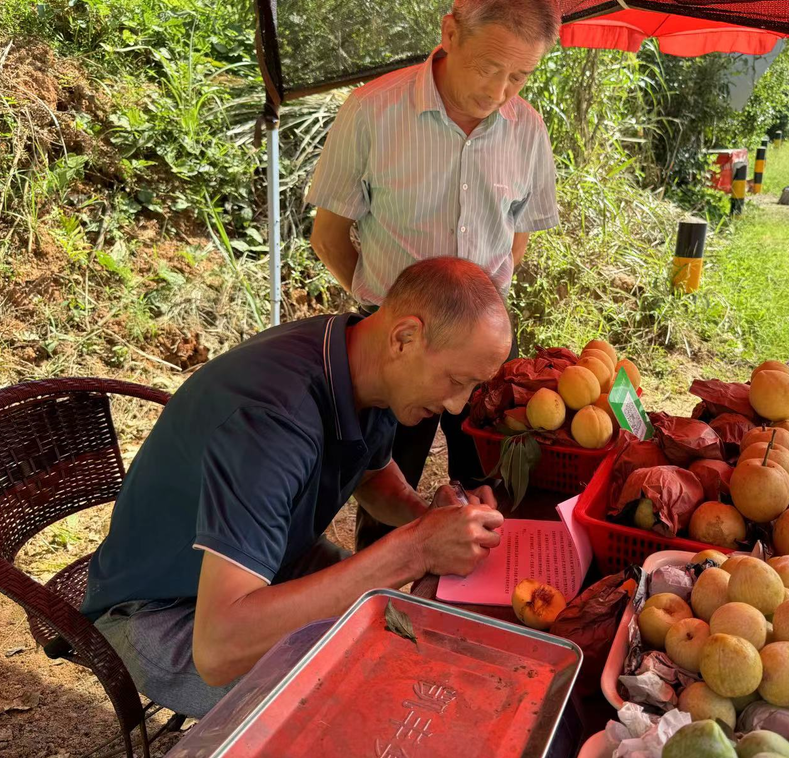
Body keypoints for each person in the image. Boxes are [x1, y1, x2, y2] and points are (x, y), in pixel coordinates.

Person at [80, 257, 512, 718]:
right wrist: (418, 548)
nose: (457, 404)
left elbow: (373, 478)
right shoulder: (275, 421)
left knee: (407, 643)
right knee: (361, 705)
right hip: (162, 609)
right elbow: (219, 648)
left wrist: (429, 517)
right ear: (405, 337)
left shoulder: (364, 360)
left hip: (273, 561)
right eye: (455, 381)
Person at [308, 0, 561, 549]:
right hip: (400, 344)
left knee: (492, 486)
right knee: (386, 492)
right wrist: (386, 310)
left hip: (487, 348)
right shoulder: (373, 111)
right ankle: (381, 601)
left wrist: (486, 307)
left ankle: (475, 602)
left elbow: (521, 231)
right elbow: (329, 235)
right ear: (450, 34)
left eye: (519, 77)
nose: (499, 93)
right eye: (487, 67)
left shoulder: (527, 128)